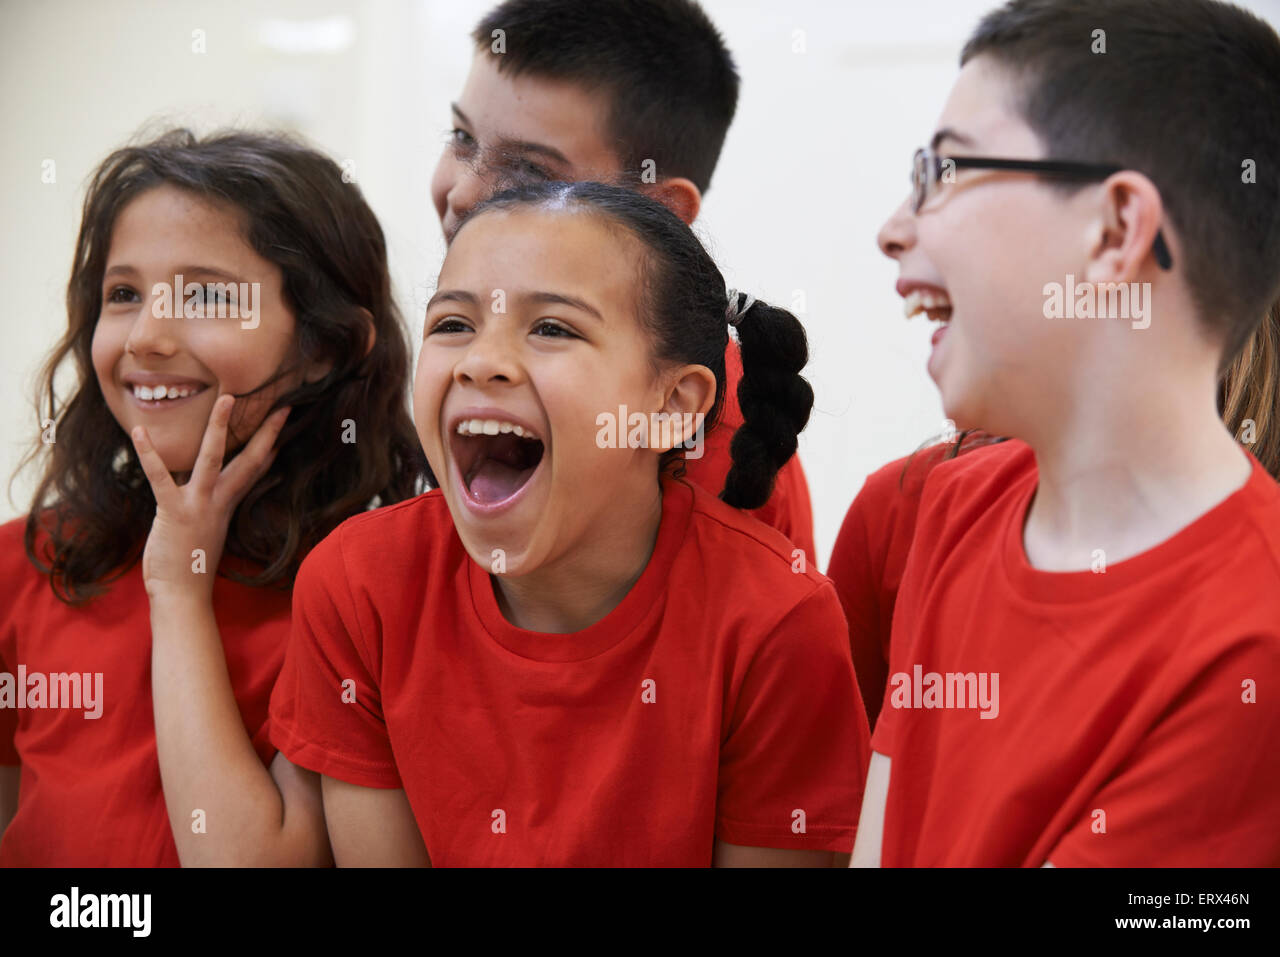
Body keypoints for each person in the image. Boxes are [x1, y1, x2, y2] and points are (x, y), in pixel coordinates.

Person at [269, 180, 870, 866]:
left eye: (552, 327)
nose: (480, 361)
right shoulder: (357, 585)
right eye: (453, 323)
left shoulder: (777, 623)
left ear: (672, 405)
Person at [849, 0, 1280, 866]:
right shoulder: (956, 504)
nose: (894, 227)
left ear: (1115, 230)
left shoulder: (1254, 642)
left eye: (945, 172)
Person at [0, 129, 429, 865]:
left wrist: (178, 592)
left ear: (325, 347)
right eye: (123, 293)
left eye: (205, 295)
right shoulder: (22, 563)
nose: (147, 337)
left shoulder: (373, 594)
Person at [431, 0, 818, 561]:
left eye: (528, 173)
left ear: (658, 209)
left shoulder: (702, 435)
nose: (462, 192)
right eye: (463, 138)